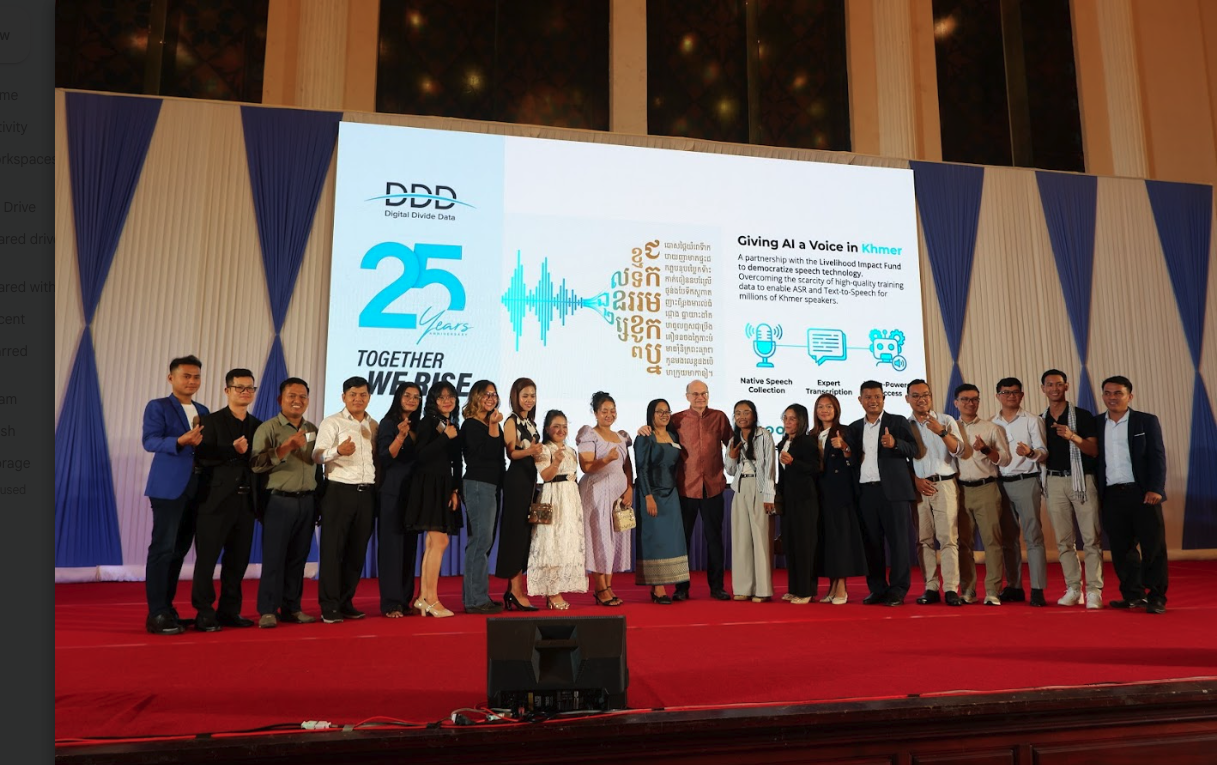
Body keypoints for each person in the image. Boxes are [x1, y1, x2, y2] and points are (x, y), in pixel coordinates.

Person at [142, 355, 209, 635]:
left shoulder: (203, 409)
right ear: (172, 378)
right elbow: (150, 441)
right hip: (168, 488)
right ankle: (156, 613)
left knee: (179, 551)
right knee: (163, 549)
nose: (192, 381)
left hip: (196, 488)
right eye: (186, 376)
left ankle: (168, 610)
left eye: (196, 377)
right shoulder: (158, 406)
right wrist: (180, 441)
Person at [190, 368, 261, 631]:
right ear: (227, 390)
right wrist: (232, 451)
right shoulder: (210, 421)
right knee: (207, 560)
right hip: (214, 502)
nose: (245, 392)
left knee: (237, 561)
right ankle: (204, 612)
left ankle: (230, 611)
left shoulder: (258, 425)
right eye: (239, 387)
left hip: (245, 504)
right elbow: (203, 457)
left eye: (249, 388)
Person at [250, 377, 320, 628]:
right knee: (274, 558)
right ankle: (268, 609)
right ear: (281, 399)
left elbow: (318, 465)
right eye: (292, 395)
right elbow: (256, 465)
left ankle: (292, 607)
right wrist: (286, 447)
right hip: (279, 501)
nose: (297, 401)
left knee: (298, 559)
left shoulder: (312, 428)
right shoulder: (268, 428)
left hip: (307, 501)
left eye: (302, 396)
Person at [1096, 376, 1168, 614]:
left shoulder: (1145, 421)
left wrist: (1156, 488)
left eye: (1118, 393)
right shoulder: (1096, 424)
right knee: (1121, 548)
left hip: (1143, 493)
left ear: (1130, 396)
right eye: (1108, 393)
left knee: (1153, 546)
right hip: (1112, 495)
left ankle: (1157, 596)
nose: (1112, 397)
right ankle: (1133, 595)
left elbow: (1158, 456)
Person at [313, 376, 378, 623]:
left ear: (369, 397)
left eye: (363, 394)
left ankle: (345, 601)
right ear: (343, 397)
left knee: (356, 552)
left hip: (367, 493)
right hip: (339, 491)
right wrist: (337, 451)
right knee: (332, 551)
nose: (358, 399)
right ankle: (329, 605)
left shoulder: (374, 425)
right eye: (353, 394)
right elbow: (317, 456)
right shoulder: (332, 422)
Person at [849, 380, 918, 606]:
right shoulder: (854, 428)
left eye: (877, 396)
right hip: (866, 493)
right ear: (860, 400)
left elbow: (914, 449)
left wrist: (895, 443)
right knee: (872, 544)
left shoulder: (897, 422)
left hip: (894, 493)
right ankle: (877, 589)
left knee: (899, 543)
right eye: (868, 397)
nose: (873, 401)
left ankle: (898, 589)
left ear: (883, 398)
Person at [1040, 369, 1103, 609]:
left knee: (1091, 539)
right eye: (1049, 385)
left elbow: (1093, 450)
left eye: (1059, 384)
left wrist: (1072, 436)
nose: (1054, 389)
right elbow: (1040, 454)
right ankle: (1073, 588)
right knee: (1064, 541)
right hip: (1053, 482)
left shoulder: (1083, 416)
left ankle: (1094, 590)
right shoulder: (1040, 419)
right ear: (1043, 389)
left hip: (1082, 481)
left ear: (1066, 387)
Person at [667, 380, 733, 601]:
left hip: (713, 487)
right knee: (682, 540)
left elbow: (734, 445)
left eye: (704, 393)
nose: (700, 397)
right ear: (687, 396)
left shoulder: (720, 417)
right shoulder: (676, 420)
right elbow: (661, 440)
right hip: (686, 487)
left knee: (715, 539)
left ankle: (717, 587)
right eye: (695, 394)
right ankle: (681, 588)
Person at [906, 379, 968, 607]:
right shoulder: (905, 425)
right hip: (920, 488)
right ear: (907, 399)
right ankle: (930, 587)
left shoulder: (945, 420)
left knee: (949, 539)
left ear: (931, 397)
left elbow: (960, 450)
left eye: (926, 395)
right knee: (924, 541)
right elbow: (903, 461)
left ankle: (951, 588)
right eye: (916, 395)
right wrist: (915, 480)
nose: (921, 399)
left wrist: (942, 432)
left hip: (944, 484)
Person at [406, 381, 463, 617]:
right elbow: (419, 455)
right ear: (433, 401)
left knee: (434, 543)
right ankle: (431, 599)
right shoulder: (428, 422)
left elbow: (456, 460)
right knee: (439, 542)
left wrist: (455, 490)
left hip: (444, 486)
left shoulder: (451, 424)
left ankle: (423, 598)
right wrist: (445, 438)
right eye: (441, 397)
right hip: (428, 484)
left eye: (450, 396)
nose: (446, 401)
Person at [953, 383, 1012, 606]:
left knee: (992, 542)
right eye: (965, 399)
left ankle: (992, 591)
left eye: (975, 399)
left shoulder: (992, 428)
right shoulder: (950, 429)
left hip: (987, 488)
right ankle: (968, 590)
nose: (970, 403)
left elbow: (1005, 460)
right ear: (956, 403)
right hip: (959, 491)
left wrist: (986, 449)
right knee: (963, 544)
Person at [992, 377, 1049, 606]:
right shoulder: (991, 423)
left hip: (1027, 481)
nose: (1010, 396)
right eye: (1005, 392)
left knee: (1033, 536)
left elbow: (1044, 452)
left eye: (1015, 392)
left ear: (1022, 395)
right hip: (999, 484)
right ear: (997, 396)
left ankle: (1037, 588)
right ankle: (1014, 586)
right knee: (1008, 539)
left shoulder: (1033, 420)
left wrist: (1031, 453)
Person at [527, 410, 589, 609]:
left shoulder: (571, 450)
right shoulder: (544, 449)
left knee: (566, 543)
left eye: (564, 426)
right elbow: (545, 476)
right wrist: (555, 462)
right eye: (556, 426)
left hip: (571, 498)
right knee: (551, 543)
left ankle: (557, 588)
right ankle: (552, 592)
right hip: (553, 497)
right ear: (547, 429)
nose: (561, 430)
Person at [809, 394, 867, 605]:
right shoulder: (812, 434)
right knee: (828, 541)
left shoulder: (846, 431)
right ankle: (832, 586)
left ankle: (842, 586)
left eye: (829, 406)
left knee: (840, 540)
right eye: (820, 407)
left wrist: (844, 447)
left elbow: (855, 461)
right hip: (819, 495)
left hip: (841, 494)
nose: (824, 410)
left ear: (836, 409)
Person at [578, 391, 633, 606]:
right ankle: (600, 589)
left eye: (612, 410)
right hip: (596, 493)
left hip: (617, 496)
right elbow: (586, 466)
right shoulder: (589, 434)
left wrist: (629, 488)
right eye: (604, 411)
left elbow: (627, 467)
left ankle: (609, 587)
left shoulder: (621, 437)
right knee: (599, 539)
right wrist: (606, 458)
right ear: (596, 413)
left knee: (613, 540)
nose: (609, 414)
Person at [633, 399, 690, 604]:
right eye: (660, 412)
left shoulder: (673, 436)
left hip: (671, 495)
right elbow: (642, 469)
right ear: (651, 414)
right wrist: (648, 496)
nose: (664, 415)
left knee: (671, 541)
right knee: (655, 540)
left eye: (667, 411)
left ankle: (669, 582)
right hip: (652, 494)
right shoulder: (644, 437)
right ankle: (658, 588)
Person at [375, 382, 422, 618]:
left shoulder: (420, 425)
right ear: (398, 397)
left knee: (409, 549)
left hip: (413, 495)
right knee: (392, 549)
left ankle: (404, 600)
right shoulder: (388, 423)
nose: (412, 400)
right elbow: (386, 456)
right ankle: (391, 603)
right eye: (407, 395)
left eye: (416, 396)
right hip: (392, 493)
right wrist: (401, 436)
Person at [496, 378, 543, 611]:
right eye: (525, 395)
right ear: (515, 396)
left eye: (532, 395)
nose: (529, 399)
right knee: (515, 534)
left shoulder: (532, 423)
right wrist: (531, 451)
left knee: (525, 536)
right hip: (515, 481)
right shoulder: (511, 420)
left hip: (530, 482)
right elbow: (511, 452)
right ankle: (515, 590)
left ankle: (514, 589)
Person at [460, 380, 506, 614]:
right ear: (476, 396)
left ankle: (478, 596)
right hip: (478, 486)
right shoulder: (471, 425)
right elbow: (486, 453)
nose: (491, 398)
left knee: (483, 542)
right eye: (486, 394)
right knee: (479, 542)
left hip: (492, 487)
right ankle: (474, 600)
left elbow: (500, 457)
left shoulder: (491, 423)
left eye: (494, 394)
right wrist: (494, 425)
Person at [725, 400, 777, 602]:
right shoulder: (733, 439)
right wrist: (731, 456)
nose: (742, 416)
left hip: (759, 486)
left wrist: (768, 495)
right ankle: (743, 587)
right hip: (739, 489)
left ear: (754, 415)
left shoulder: (763, 434)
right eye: (738, 413)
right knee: (741, 539)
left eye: (746, 412)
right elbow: (729, 470)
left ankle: (763, 590)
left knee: (760, 538)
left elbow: (770, 467)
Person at [776, 404, 820, 604]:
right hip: (789, 501)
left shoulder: (808, 442)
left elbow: (814, 469)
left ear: (801, 421)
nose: (787, 422)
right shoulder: (784, 442)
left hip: (805, 501)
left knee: (805, 546)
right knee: (791, 545)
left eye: (792, 418)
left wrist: (793, 462)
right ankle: (794, 588)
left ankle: (806, 590)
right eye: (785, 418)